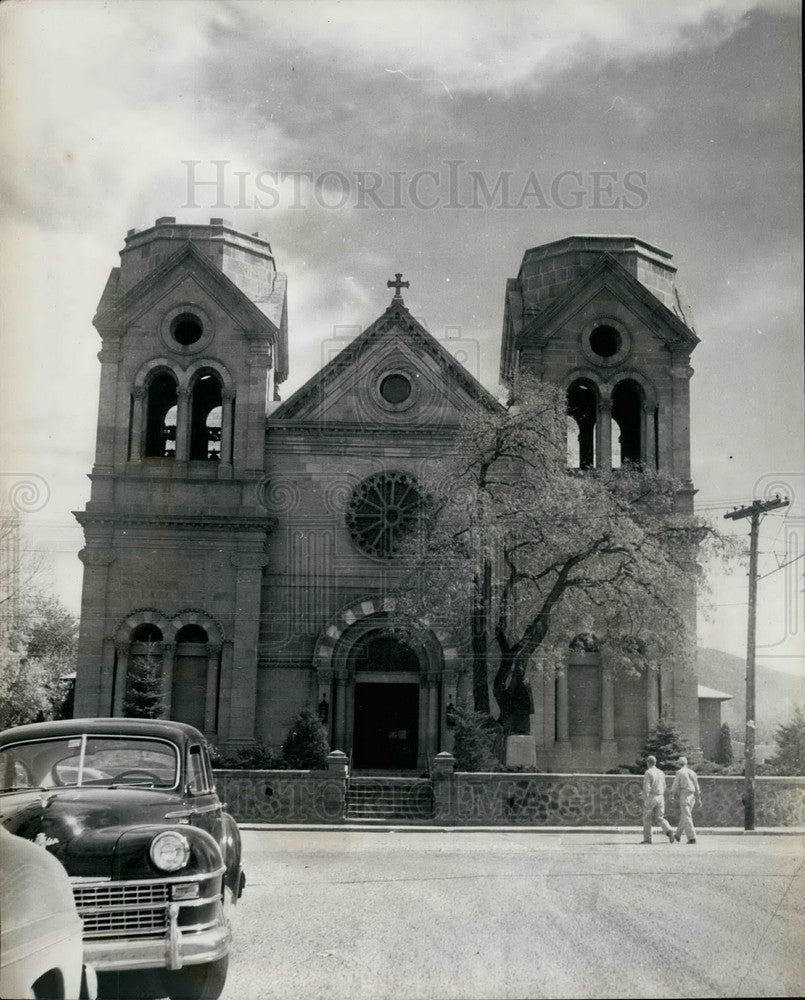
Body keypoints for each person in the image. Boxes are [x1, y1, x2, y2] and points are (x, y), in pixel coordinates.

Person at [640, 755, 675, 844]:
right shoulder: (661, 772)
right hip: (660, 796)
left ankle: (647, 839)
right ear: (655, 763)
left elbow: (647, 787)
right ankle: (669, 830)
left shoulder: (648, 772)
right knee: (660, 817)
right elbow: (664, 785)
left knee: (647, 818)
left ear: (648, 763)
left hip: (652, 796)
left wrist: (645, 798)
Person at [671, 756, 702, 844]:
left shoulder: (679, 772)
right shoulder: (692, 772)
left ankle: (692, 838)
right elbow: (697, 786)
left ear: (679, 764)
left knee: (687, 816)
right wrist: (699, 798)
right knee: (685, 816)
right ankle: (678, 834)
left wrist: (672, 795)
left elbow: (675, 784)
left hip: (684, 795)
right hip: (692, 796)